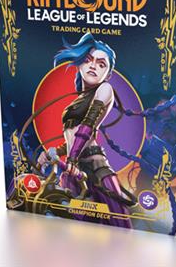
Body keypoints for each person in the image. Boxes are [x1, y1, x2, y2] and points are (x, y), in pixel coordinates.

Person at [37, 32, 132, 228]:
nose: (93, 66)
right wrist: (55, 152)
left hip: (95, 167)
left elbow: (87, 126)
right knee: (77, 221)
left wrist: (71, 159)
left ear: (108, 74)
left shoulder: (105, 89)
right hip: (75, 167)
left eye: (101, 64)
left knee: (116, 220)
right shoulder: (79, 99)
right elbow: (73, 137)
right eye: (88, 60)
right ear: (80, 64)